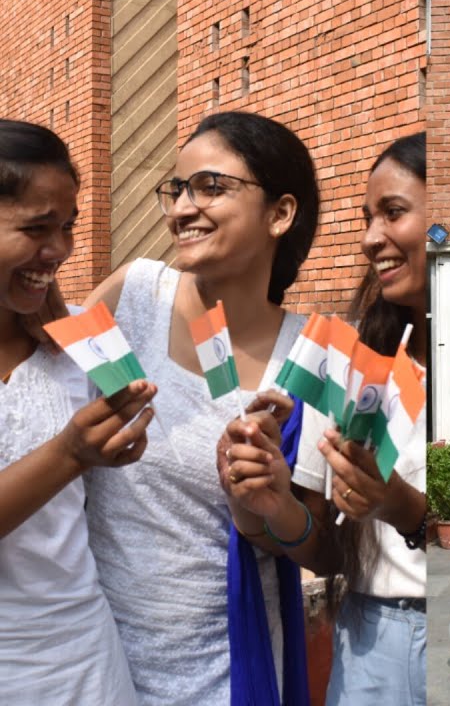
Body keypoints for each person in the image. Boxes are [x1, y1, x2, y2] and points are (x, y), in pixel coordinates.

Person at [81, 111, 320, 705]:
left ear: (280, 214)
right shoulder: (135, 293)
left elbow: (323, 548)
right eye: (178, 189)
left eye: (212, 187)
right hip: (90, 660)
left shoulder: (308, 358)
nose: (183, 208)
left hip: (225, 670)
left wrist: (270, 501)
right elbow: (39, 401)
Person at [222, 131, 427, 703]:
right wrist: (271, 501)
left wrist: (403, 506)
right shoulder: (351, 366)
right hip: (372, 641)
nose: (370, 239)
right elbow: (326, 550)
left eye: (393, 212)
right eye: (367, 217)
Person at [0, 119, 156, 704]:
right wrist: (69, 454)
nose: (60, 249)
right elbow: (77, 451)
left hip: (87, 663)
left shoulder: (71, 351)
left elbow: (133, 417)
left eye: (66, 228)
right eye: (36, 229)